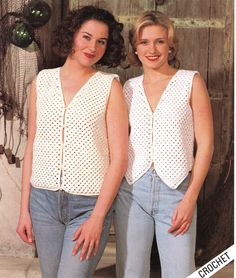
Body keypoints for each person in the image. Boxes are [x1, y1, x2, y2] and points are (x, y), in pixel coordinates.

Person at [16, 5, 128, 278]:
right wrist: (24, 210)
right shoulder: (42, 81)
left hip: (87, 205)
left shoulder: (109, 86)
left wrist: (98, 218)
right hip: (42, 201)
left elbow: (120, 159)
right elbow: (32, 145)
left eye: (101, 41)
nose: (93, 47)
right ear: (72, 35)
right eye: (86, 36)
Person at [114, 10, 214, 278]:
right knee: (130, 272)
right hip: (132, 192)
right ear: (135, 48)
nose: (152, 49)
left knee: (180, 273)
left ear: (170, 46)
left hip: (176, 192)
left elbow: (205, 145)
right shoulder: (128, 88)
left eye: (159, 41)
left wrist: (189, 198)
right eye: (144, 42)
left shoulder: (190, 81)